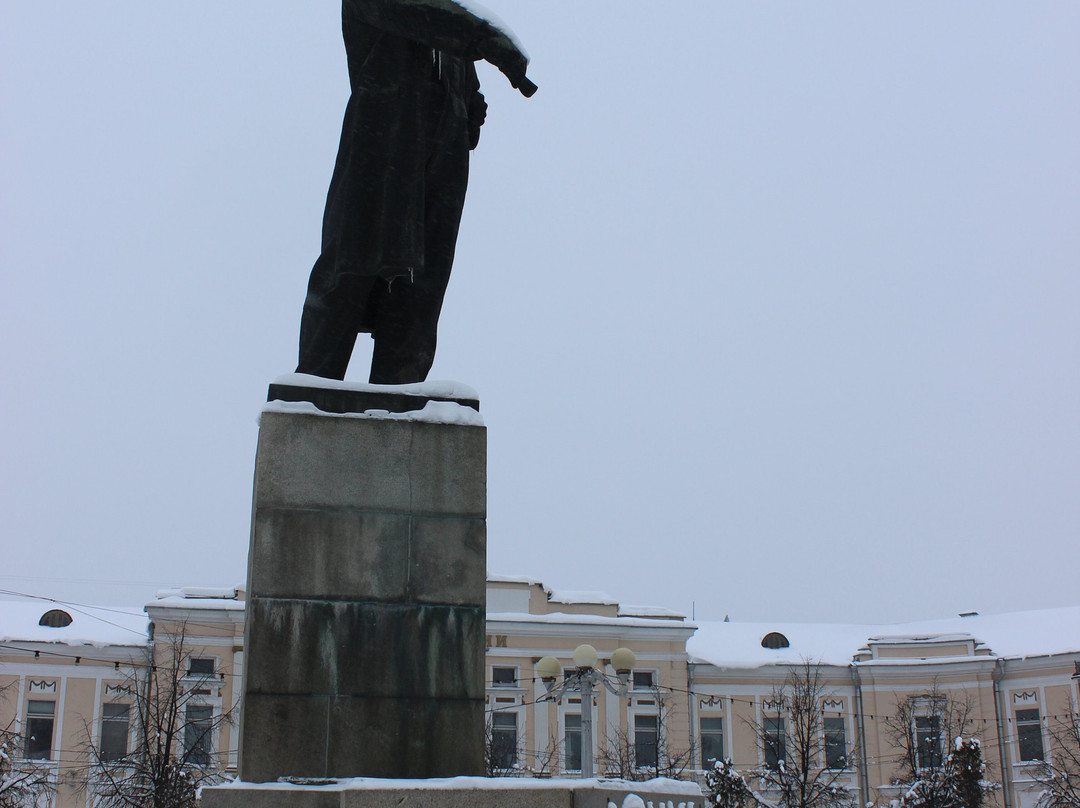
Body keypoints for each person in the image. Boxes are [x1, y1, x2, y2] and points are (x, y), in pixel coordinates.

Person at [295, 0, 536, 383]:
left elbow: (460, 79)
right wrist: (487, 38)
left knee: (422, 284)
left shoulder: (450, 24)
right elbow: (417, 13)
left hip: (443, 159)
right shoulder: (428, 12)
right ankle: (312, 388)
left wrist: (470, 107)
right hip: (385, 142)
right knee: (351, 264)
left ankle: (402, 397)